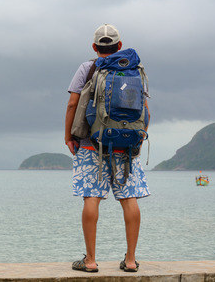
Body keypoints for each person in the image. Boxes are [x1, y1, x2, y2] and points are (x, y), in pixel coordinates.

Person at [64, 24, 150, 273]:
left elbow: (72, 104)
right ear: (119, 46)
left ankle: (90, 261)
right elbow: (145, 111)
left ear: (94, 47)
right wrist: (138, 139)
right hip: (127, 145)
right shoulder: (135, 70)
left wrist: (69, 136)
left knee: (92, 198)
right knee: (128, 199)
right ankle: (131, 261)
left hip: (92, 144)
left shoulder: (87, 67)